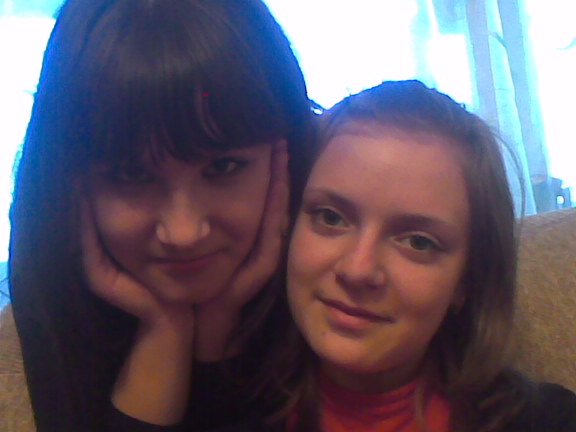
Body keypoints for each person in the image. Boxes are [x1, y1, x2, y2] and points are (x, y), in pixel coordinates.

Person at [7, 0, 313, 431]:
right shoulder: (14, 365)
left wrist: (215, 338)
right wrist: (164, 334)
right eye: (133, 174)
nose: (183, 233)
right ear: (68, 184)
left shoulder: (345, 322)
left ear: (286, 160)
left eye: (223, 167)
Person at [278, 80, 576, 431]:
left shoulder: (548, 421)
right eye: (331, 217)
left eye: (418, 242)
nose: (358, 269)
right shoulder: (229, 407)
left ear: (466, 280)